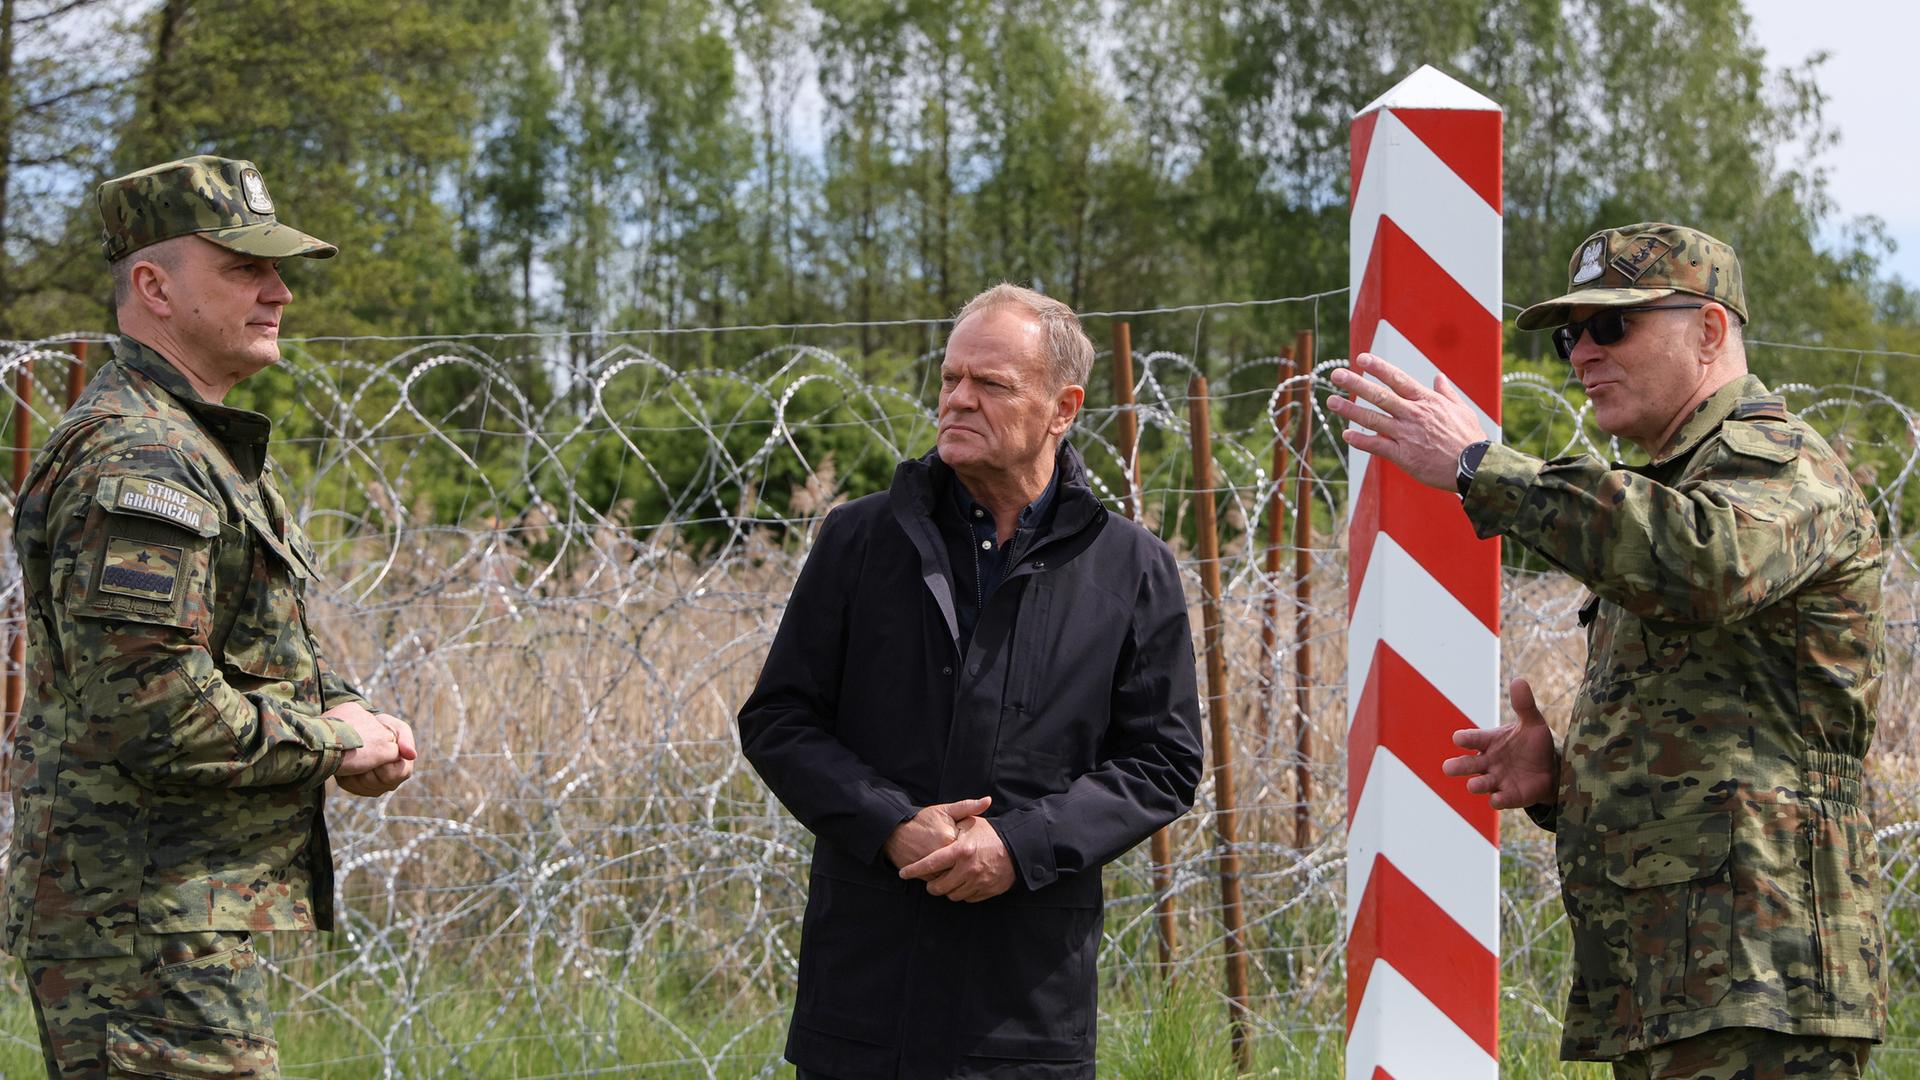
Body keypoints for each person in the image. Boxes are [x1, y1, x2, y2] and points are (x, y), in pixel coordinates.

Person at [1328, 223, 1884, 1077]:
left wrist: (1483, 465)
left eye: (1612, 325)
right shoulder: (1671, 490)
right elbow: (1714, 740)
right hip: (1674, 984)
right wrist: (1569, 781)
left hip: (1764, 982)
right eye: (1569, 334)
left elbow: (1707, 564)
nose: (1582, 352)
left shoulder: (1781, 467)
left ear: (1708, 330)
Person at [3, 155, 418, 1079]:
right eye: (242, 268)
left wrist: (343, 707)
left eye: (275, 270)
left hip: (167, 917)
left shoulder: (195, 443)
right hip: (137, 926)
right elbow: (155, 708)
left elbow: (241, 652)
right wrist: (329, 743)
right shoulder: (142, 459)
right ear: (153, 285)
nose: (278, 292)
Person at [737, 283, 1204, 1079]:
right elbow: (780, 718)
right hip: (863, 998)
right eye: (951, 379)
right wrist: (889, 822)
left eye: (990, 385)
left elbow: (1163, 763)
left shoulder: (1131, 569)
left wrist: (1018, 846)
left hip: (1023, 1008)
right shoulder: (860, 540)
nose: (957, 400)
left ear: (1062, 408)